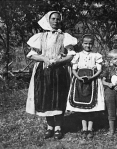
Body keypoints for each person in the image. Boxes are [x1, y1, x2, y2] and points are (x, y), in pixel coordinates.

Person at [26, 11, 77, 140]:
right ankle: (49, 127)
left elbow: (71, 55)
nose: (55, 21)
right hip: (43, 71)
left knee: (59, 97)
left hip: (59, 71)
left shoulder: (64, 36)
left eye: (58, 19)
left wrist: (60, 61)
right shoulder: (41, 36)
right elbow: (32, 54)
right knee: (46, 97)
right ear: (48, 20)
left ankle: (58, 127)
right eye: (53, 19)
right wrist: (44, 58)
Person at [66, 34, 105, 139]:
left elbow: (100, 70)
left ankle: (90, 128)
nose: (88, 46)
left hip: (93, 82)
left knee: (92, 106)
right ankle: (84, 128)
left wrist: (92, 77)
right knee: (82, 106)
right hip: (80, 82)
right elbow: (74, 69)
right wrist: (78, 77)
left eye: (90, 44)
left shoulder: (96, 55)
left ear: (93, 44)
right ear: (82, 44)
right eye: (86, 43)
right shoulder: (78, 55)